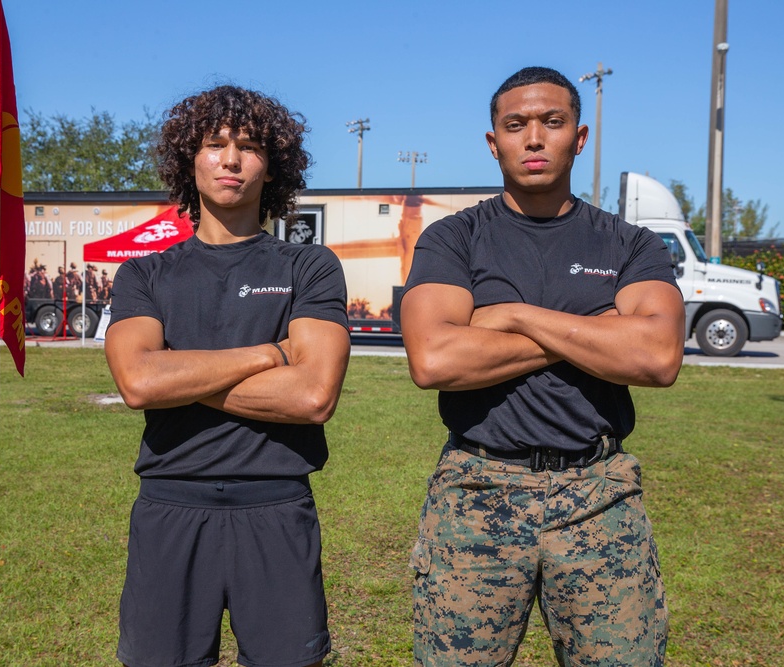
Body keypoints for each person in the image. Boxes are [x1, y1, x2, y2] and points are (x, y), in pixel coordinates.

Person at [400, 66, 685, 667]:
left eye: (552, 123)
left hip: (598, 496)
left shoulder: (629, 244)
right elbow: (434, 358)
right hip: (478, 492)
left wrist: (510, 315)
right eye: (516, 125)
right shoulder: (454, 239)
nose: (534, 138)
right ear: (493, 140)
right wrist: (598, 330)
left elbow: (657, 356)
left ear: (579, 137)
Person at [104, 85, 350, 667]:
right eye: (215, 144)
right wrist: (267, 354)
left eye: (250, 147)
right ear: (189, 159)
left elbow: (313, 396)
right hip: (170, 506)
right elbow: (138, 383)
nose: (232, 160)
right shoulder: (145, 274)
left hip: (276, 506)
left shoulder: (308, 266)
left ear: (275, 164)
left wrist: (180, 371)